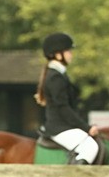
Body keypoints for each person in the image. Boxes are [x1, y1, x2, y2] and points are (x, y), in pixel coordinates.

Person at [35, 32, 98, 164]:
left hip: (64, 126)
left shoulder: (59, 74)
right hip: (60, 128)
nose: (71, 54)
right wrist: (86, 128)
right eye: (68, 51)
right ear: (58, 55)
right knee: (90, 147)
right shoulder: (56, 78)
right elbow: (63, 108)